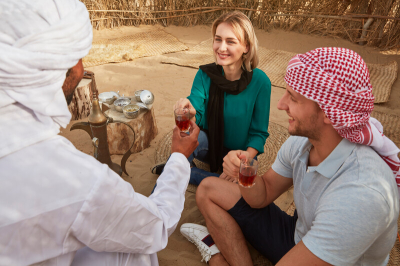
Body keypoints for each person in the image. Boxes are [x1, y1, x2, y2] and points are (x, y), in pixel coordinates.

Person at [0, 1, 200, 265]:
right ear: (53, 67)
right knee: (134, 250)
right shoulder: (74, 179)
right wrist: (178, 157)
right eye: (78, 58)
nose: (82, 70)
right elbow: (156, 226)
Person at [180, 47, 400, 265]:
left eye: (293, 98)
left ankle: (216, 257)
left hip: (334, 259)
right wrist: (245, 173)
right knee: (208, 188)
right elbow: (263, 194)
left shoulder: (361, 194)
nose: (281, 104)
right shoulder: (303, 142)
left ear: (329, 114)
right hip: (299, 233)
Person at [151, 11, 271, 186]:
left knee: (178, 169)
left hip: (240, 153)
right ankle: (182, 173)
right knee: (187, 137)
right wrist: (189, 110)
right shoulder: (205, 74)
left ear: (246, 47)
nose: (221, 48)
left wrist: (243, 159)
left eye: (230, 41)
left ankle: (182, 171)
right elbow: (196, 112)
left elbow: (259, 133)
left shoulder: (260, 82)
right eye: (218, 39)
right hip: (210, 145)